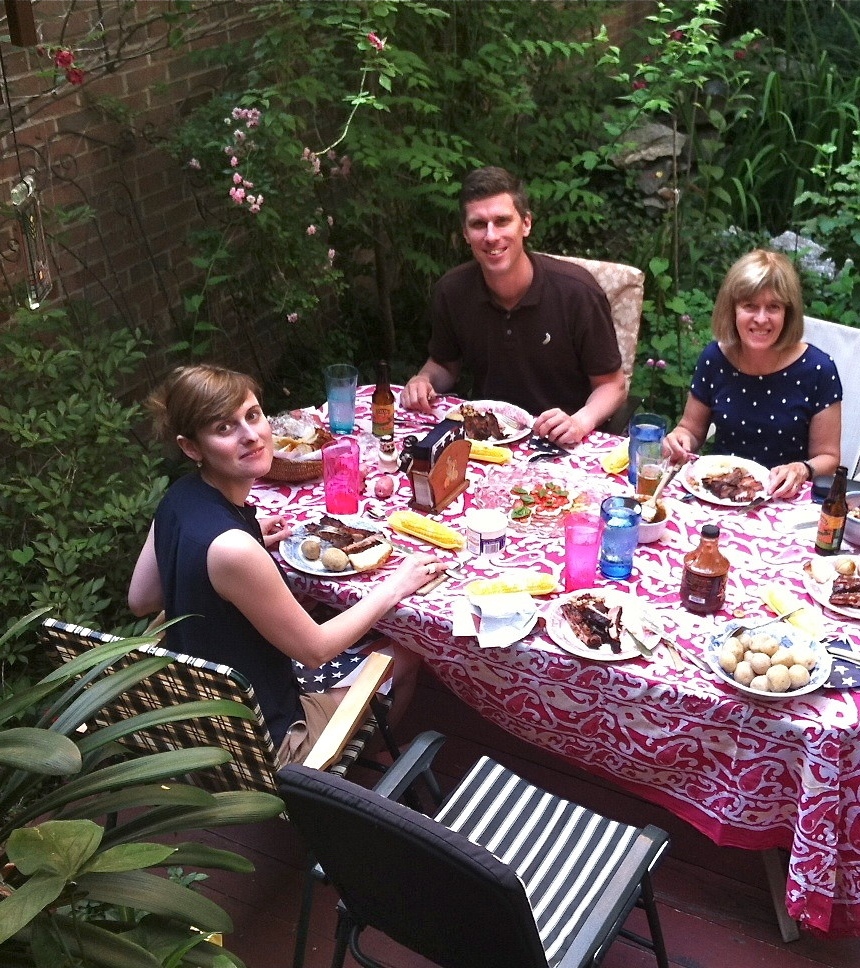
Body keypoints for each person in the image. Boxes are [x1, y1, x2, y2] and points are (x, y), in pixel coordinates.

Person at [128, 364, 446, 766]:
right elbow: (316, 650)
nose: (249, 435)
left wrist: (247, 537)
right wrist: (395, 586)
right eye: (223, 429)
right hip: (266, 741)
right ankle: (364, 773)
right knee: (407, 650)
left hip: (199, 717)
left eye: (252, 415)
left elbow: (141, 599)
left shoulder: (178, 499)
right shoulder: (232, 550)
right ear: (191, 447)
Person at [400, 166, 627, 446]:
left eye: (502, 221)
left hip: (560, 441)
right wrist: (423, 380)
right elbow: (444, 366)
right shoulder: (452, 290)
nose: (491, 236)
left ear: (526, 224)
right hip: (485, 439)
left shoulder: (577, 293)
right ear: (465, 234)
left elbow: (612, 385)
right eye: (479, 224)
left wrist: (581, 421)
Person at [661, 249, 842, 498]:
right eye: (750, 306)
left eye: (773, 307)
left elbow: (829, 457)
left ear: (787, 313)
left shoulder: (818, 370)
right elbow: (691, 430)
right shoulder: (715, 358)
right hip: (717, 492)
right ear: (732, 310)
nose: (761, 318)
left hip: (785, 500)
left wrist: (802, 469)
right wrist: (680, 439)